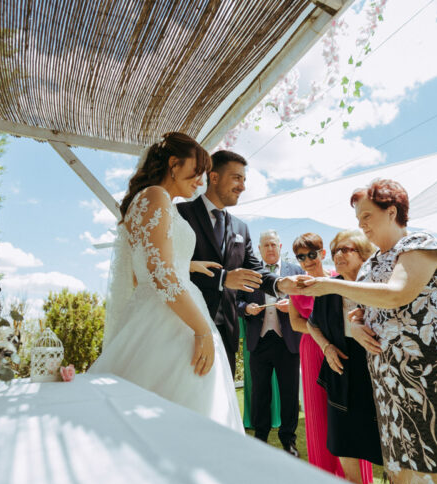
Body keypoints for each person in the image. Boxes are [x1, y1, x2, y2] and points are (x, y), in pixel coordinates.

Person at [293, 179, 437, 484]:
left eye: (367, 215)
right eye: (358, 218)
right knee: (414, 472)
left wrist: (328, 284)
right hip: (392, 384)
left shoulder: (421, 244)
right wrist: (356, 325)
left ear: (392, 211)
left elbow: (398, 292)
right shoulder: (370, 265)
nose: (362, 224)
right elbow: (360, 312)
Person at [90, 132, 241, 431]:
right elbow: (160, 273)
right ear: (174, 164)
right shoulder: (156, 196)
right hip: (170, 322)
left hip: (157, 312)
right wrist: (202, 330)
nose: (200, 181)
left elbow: (144, 266)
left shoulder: (153, 200)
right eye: (196, 171)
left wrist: (187, 264)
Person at [176, 150, 302, 377]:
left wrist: (281, 284)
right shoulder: (180, 214)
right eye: (236, 178)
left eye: (244, 180)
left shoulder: (241, 227)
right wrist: (223, 279)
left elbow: (255, 269)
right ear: (214, 177)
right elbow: (169, 267)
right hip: (186, 327)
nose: (243, 186)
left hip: (227, 332)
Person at [288, 230, 377, 484]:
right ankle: (325, 476)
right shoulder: (297, 286)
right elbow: (299, 323)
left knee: (355, 415)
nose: (307, 260)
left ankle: (359, 479)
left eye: (311, 254)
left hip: (352, 350)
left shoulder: (340, 280)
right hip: (316, 348)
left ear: (321, 253)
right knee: (320, 413)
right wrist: (326, 343)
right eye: (301, 256)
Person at [238, 230, 304, 455]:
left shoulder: (295, 271)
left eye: (273, 244)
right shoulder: (251, 273)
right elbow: (236, 302)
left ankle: (288, 439)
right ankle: (260, 438)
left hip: (288, 342)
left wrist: (292, 305)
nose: (270, 248)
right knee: (260, 393)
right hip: (259, 341)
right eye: (265, 245)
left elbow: (306, 300)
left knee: (289, 393)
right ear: (259, 249)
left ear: (280, 246)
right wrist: (246, 309)